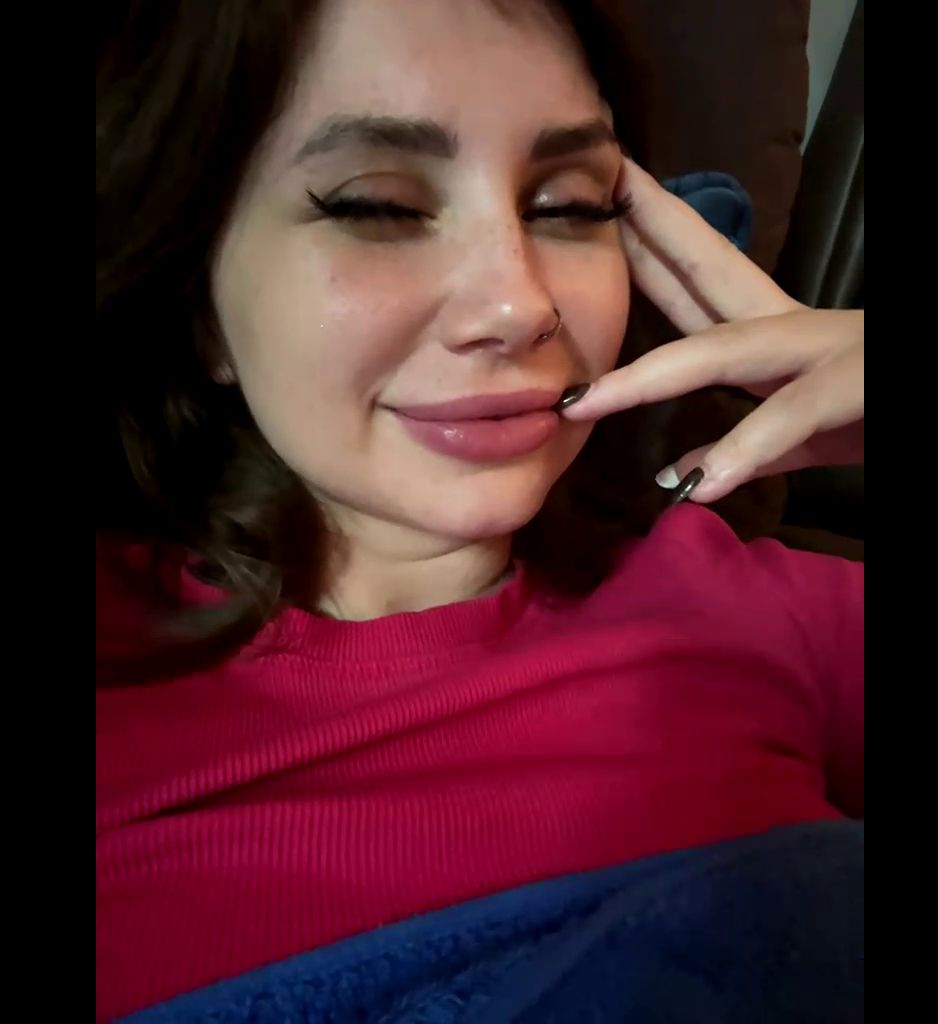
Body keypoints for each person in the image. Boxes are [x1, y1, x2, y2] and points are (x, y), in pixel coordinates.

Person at [96, 0, 864, 1020]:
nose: (520, 305)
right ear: (202, 305)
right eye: (379, 206)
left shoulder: (758, 609)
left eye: (569, 208)